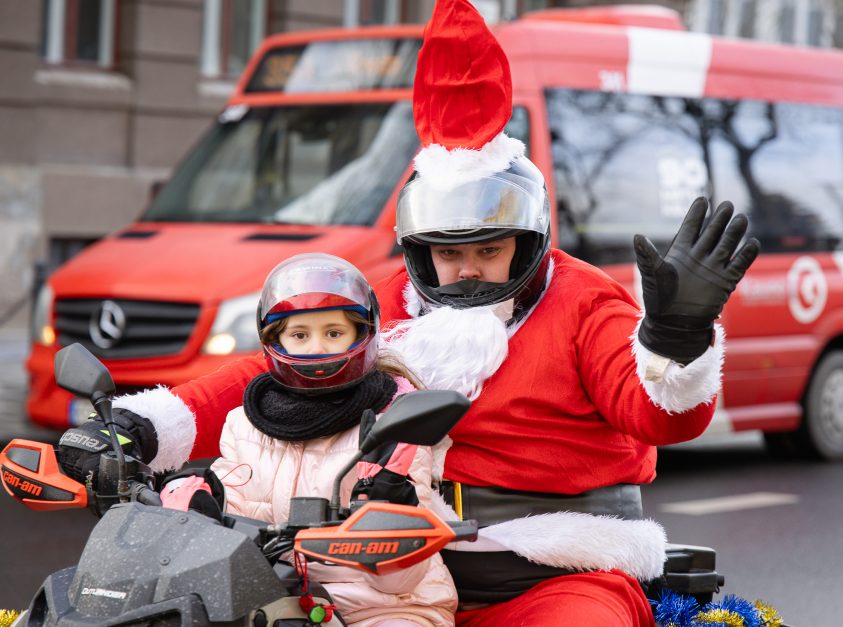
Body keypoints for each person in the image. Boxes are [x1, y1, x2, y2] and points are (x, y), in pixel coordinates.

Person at [56, 1, 759, 625]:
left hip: (549, 576)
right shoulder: (387, 300)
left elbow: (663, 416)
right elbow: (271, 373)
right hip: (377, 575)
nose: (467, 268)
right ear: (419, 248)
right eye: (448, 252)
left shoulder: (581, 301)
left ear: (529, 240)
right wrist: (141, 428)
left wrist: (675, 338)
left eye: (489, 247)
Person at [65, 253, 459, 627]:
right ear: (276, 342)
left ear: (363, 334)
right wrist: (193, 501)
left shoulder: (396, 423)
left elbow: (399, 583)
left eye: (334, 332)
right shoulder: (247, 422)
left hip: (381, 608)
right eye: (300, 334)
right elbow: (228, 515)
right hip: (273, 598)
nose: (317, 347)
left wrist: (391, 505)